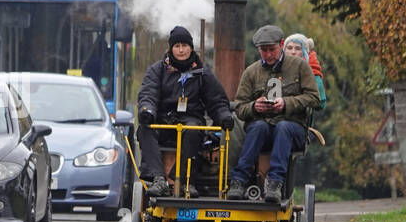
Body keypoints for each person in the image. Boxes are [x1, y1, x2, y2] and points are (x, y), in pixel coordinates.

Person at [137, 26, 235, 198]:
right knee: (145, 129)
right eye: (177, 46)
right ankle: (159, 179)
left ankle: (184, 181)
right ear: (170, 49)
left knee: (192, 130)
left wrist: (224, 116)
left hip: (190, 119)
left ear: (191, 47)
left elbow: (217, 101)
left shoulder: (202, 73)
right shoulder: (157, 70)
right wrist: (147, 110)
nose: (181, 50)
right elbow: (148, 94)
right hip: (163, 120)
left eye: (184, 45)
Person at [227, 24, 320, 203]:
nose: (268, 55)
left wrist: (286, 104)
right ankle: (239, 181)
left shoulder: (300, 66)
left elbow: (314, 98)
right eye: (264, 51)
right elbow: (239, 106)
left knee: (283, 127)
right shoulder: (251, 72)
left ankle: (275, 182)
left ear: (281, 44)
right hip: (263, 127)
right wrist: (255, 107)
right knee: (258, 127)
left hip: (293, 127)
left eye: (272, 50)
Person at [284, 33, 327, 109]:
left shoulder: (313, 72)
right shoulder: (276, 68)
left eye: (298, 48)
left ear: (305, 52)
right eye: (289, 48)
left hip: (300, 116)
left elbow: (321, 103)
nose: (293, 52)